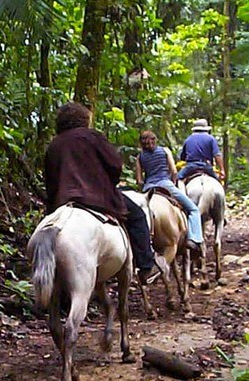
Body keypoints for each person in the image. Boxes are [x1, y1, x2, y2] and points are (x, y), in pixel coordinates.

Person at [44, 101, 163, 284]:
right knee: (138, 215)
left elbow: (50, 180)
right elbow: (115, 165)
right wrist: (109, 183)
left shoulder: (54, 144)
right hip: (95, 197)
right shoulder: (92, 136)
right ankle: (146, 265)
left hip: (62, 200)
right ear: (84, 119)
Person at [135, 130, 203, 250]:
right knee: (193, 209)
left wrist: (143, 189)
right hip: (166, 185)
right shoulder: (165, 151)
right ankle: (194, 238)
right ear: (155, 140)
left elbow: (139, 181)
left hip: (148, 188)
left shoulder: (139, 157)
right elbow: (174, 171)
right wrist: (173, 183)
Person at [177, 118, 225, 182]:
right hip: (206, 166)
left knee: (176, 179)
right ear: (206, 129)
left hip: (191, 166)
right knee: (218, 182)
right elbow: (217, 155)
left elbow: (182, 157)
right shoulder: (211, 139)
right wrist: (222, 169)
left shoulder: (188, 139)